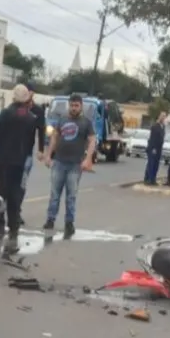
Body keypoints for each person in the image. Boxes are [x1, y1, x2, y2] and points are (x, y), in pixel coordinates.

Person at [0, 85, 38, 255]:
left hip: (3, 161)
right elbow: (30, 144)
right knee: (14, 197)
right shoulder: (31, 118)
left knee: (0, 196)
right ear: (27, 98)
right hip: (19, 163)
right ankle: (13, 232)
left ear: (13, 97)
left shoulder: (5, 114)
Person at [42, 94, 96, 240]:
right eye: (71, 105)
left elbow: (92, 141)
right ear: (69, 105)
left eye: (76, 105)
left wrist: (88, 159)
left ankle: (69, 223)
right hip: (59, 162)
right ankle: (50, 220)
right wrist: (48, 155)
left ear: (81, 106)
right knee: (54, 194)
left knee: (71, 196)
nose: (73, 108)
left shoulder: (86, 122)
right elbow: (54, 137)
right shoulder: (62, 119)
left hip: (75, 165)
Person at [18, 86, 47, 219]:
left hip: (27, 153)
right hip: (12, 152)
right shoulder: (16, 108)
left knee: (22, 184)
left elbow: (41, 130)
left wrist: (41, 150)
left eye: (29, 92)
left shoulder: (37, 111)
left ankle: (16, 211)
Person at [143, 112, 167, 185]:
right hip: (153, 148)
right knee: (151, 164)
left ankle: (153, 179)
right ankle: (148, 179)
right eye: (162, 116)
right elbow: (152, 138)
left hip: (159, 148)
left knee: (156, 165)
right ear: (159, 117)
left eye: (164, 117)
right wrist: (153, 148)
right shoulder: (155, 126)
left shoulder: (163, 126)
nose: (163, 118)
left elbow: (162, 137)